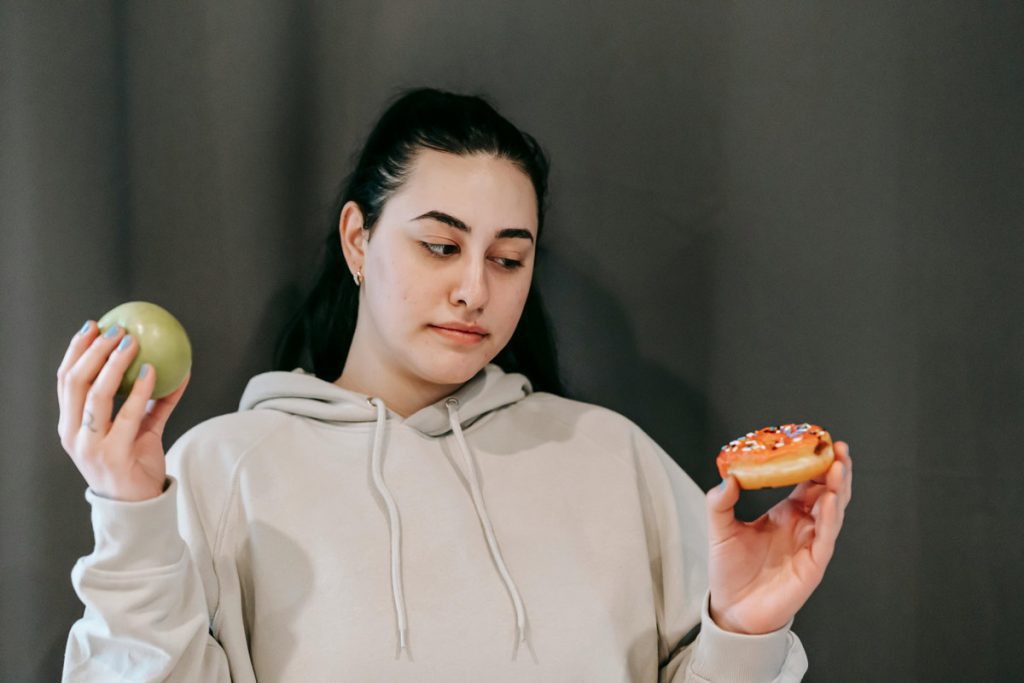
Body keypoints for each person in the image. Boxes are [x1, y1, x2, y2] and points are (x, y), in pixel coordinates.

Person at [57, 87, 853, 681]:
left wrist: (743, 632)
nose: (476, 288)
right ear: (358, 240)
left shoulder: (612, 458)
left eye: (509, 259)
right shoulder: (221, 468)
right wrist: (129, 515)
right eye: (441, 246)